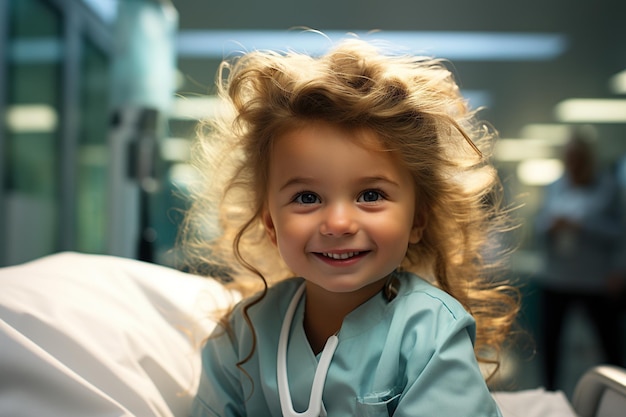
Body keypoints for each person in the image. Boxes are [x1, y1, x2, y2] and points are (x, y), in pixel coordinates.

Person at [180, 37, 520, 417]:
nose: (338, 223)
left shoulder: (430, 331)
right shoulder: (242, 337)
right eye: (307, 198)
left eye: (370, 195)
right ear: (271, 224)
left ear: (417, 219)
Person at [535, 133, 624, 391]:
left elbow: (620, 233)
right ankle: (548, 394)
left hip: (594, 279)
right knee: (550, 342)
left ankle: (620, 391)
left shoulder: (608, 188)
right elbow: (538, 225)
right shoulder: (555, 187)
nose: (572, 163)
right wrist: (551, 226)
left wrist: (583, 226)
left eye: (577, 158)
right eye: (568, 158)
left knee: (609, 341)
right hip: (556, 277)